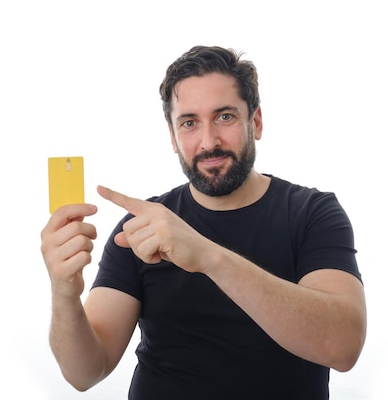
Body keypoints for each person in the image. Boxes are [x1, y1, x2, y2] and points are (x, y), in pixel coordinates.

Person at [40, 46, 366, 399]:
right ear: (173, 136)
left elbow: (343, 347)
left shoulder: (312, 212)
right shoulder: (141, 227)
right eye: (190, 123)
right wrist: (65, 294)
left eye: (224, 117)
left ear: (255, 122)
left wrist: (208, 257)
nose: (208, 141)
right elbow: (84, 373)